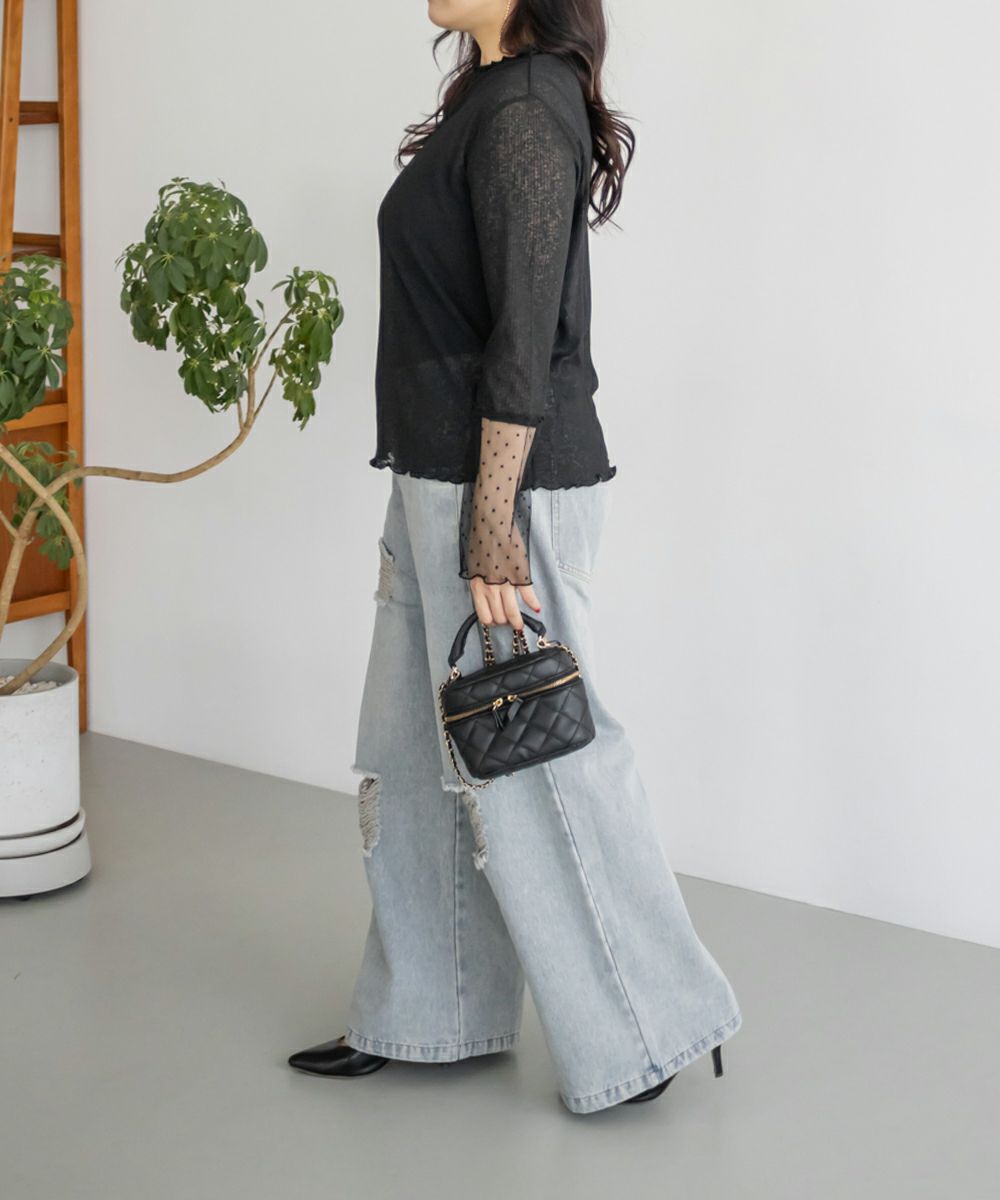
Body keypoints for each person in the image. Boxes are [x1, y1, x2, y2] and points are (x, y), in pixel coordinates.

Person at [288, 0, 742, 1114]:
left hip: (502, 488)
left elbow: (526, 332)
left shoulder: (530, 107)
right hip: (435, 475)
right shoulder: (490, 97)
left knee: (542, 761)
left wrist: (491, 518)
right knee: (413, 759)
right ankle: (430, 1011)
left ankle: (649, 1029)